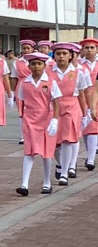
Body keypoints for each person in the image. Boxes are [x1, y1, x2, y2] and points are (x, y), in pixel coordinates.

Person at [14, 52, 60, 196]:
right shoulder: (25, 83)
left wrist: (55, 119)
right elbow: (21, 100)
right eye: (33, 64)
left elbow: (56, 102)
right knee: (29, 151)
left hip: (46, 118)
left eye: (39, 64)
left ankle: (47, 182)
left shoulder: (50, 82)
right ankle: (24, 184)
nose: (36, 67)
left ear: (44, 66)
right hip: (30, 118)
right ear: (29, 66)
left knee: (46, 152)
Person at [48, 42, 91, 184]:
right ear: (54, 56)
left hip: (71, 107)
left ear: (70, 56)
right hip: (53, 108)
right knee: (54, 143)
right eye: (58, 53)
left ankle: (64, 173)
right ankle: (60, 163)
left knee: (67, 140)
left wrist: (85, 113)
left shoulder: (78, 72)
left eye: (64, 53)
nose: (61, 56)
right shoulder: (48, 71)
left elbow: (81, 93)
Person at [10, 39, 36, 146]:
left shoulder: (37, 61)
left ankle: (34, 133)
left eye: (28, 48)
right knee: (21, 112)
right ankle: (23, 136)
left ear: (32, 49)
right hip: (21, 87)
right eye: (24, 48)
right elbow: (13, 78)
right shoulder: (17, 62)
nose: (26, 50)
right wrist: (12, 92)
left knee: (34, 111)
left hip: (34, 86)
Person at [79, 37, 98, 170]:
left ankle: (91, 158)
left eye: (92, 48)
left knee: (93, 127)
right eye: (87, 48)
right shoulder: (79, 64)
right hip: (83, 97)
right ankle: (90, 156)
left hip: (96, 96)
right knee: (86, 127)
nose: (89, 50)